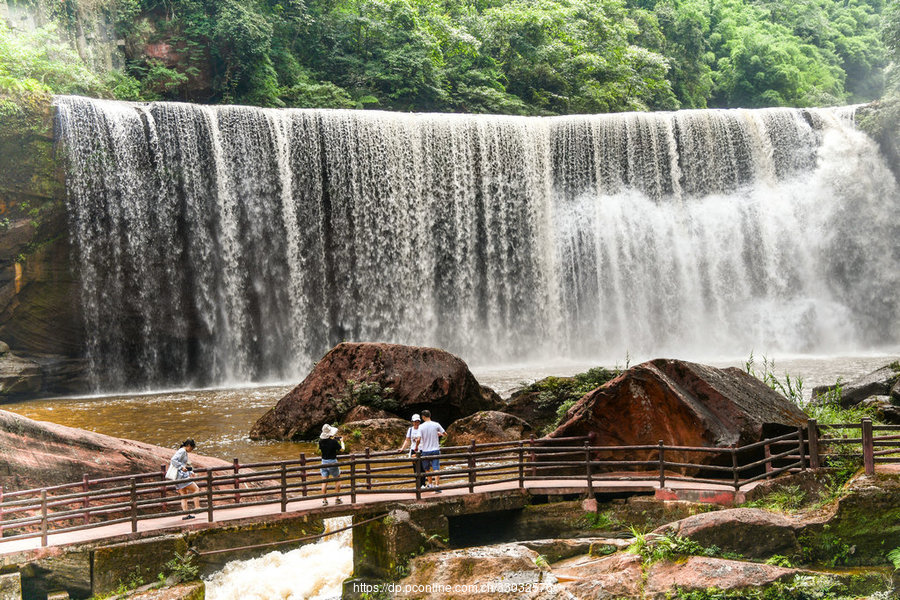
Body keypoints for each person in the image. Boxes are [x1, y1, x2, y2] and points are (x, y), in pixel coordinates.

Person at [170, 439, 201, 520]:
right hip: (181, 476)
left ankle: (186, 514)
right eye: (192, 448)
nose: (191, 450)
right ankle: (197, 507)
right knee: (196, 489)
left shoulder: (182, 451)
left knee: (184, 496)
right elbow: (173, 460)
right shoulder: (182, 451)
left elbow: (185, 464)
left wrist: (190, 472)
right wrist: (181, 467)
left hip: (177, 477)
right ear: (189, 446)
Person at [418, 410, 445, 491]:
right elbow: (445, 434)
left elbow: (419, 439)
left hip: (425, 450)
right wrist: (440, 434)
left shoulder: (421, 426)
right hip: (435, 449)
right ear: (430, 415)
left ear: (423, 417)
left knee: (427, 469)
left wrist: (416, 446)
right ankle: (437, 486)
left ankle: (430, 484)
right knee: (436, 468)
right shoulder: (436, 424)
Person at [319, 424, 345, 505]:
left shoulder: (321, 441)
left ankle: (324, 500)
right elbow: (342, 450)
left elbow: (326, 445)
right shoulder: (334, 442)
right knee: (337, 479)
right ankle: (337, 499)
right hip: (333, 462)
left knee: (324, 482)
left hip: (324, 462)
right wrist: (342, 442)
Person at [398, 414, 425, 487]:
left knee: (422, 467)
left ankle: (423, 484)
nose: (416, 423)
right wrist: (402, 448)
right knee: (415, 468)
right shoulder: (410, 430)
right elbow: (407, 440)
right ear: (412, 422)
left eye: (418, 421)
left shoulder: (422, 428)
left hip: (421, 450)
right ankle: (418, 484)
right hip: (413, 450)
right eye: (415, 421)